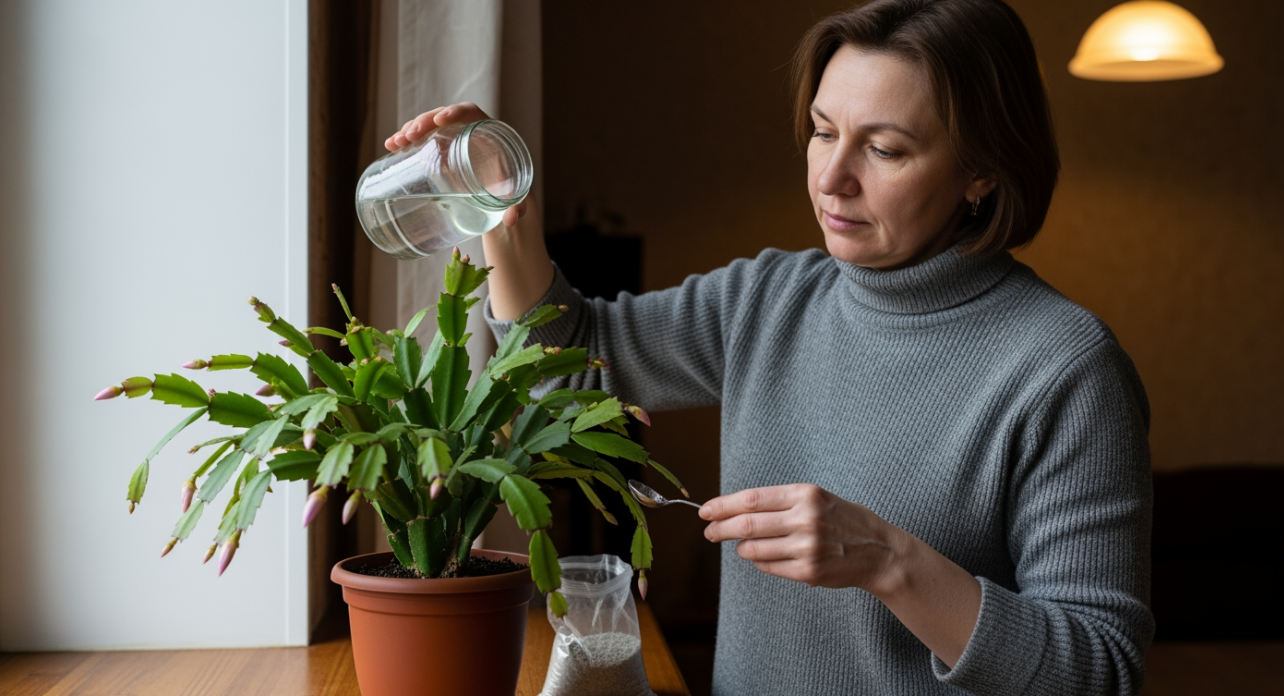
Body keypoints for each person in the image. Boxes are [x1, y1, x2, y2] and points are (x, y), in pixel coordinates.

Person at [386, 1, 1152, 693]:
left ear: (981, 172)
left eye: (884, 150)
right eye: (823, 132)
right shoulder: (770, 299)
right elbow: (566, 355)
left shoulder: (1065, 367)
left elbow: (1100, 667)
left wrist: (889, 561)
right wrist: (499, 208)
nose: (832, 179)